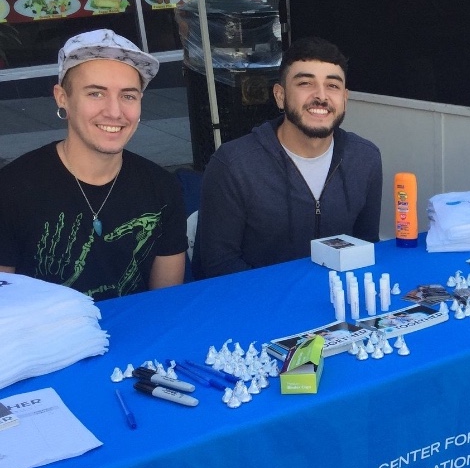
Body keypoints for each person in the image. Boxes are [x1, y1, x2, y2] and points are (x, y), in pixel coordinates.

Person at [0, 29, 187, 300]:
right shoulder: (12, 190)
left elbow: (166, 302)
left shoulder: (162, 187)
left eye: (128, 96)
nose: (114, 111)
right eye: (96, 93)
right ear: (62, 97)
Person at [196, 36, 383, 277]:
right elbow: (217, 266)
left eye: (333, 85)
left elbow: (366, 246)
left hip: (338, 302)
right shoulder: (234, 165)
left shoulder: (365, 158)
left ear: (345, 98)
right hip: (261, 304)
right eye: (305, 83)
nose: (322, 96)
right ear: (280, 96)